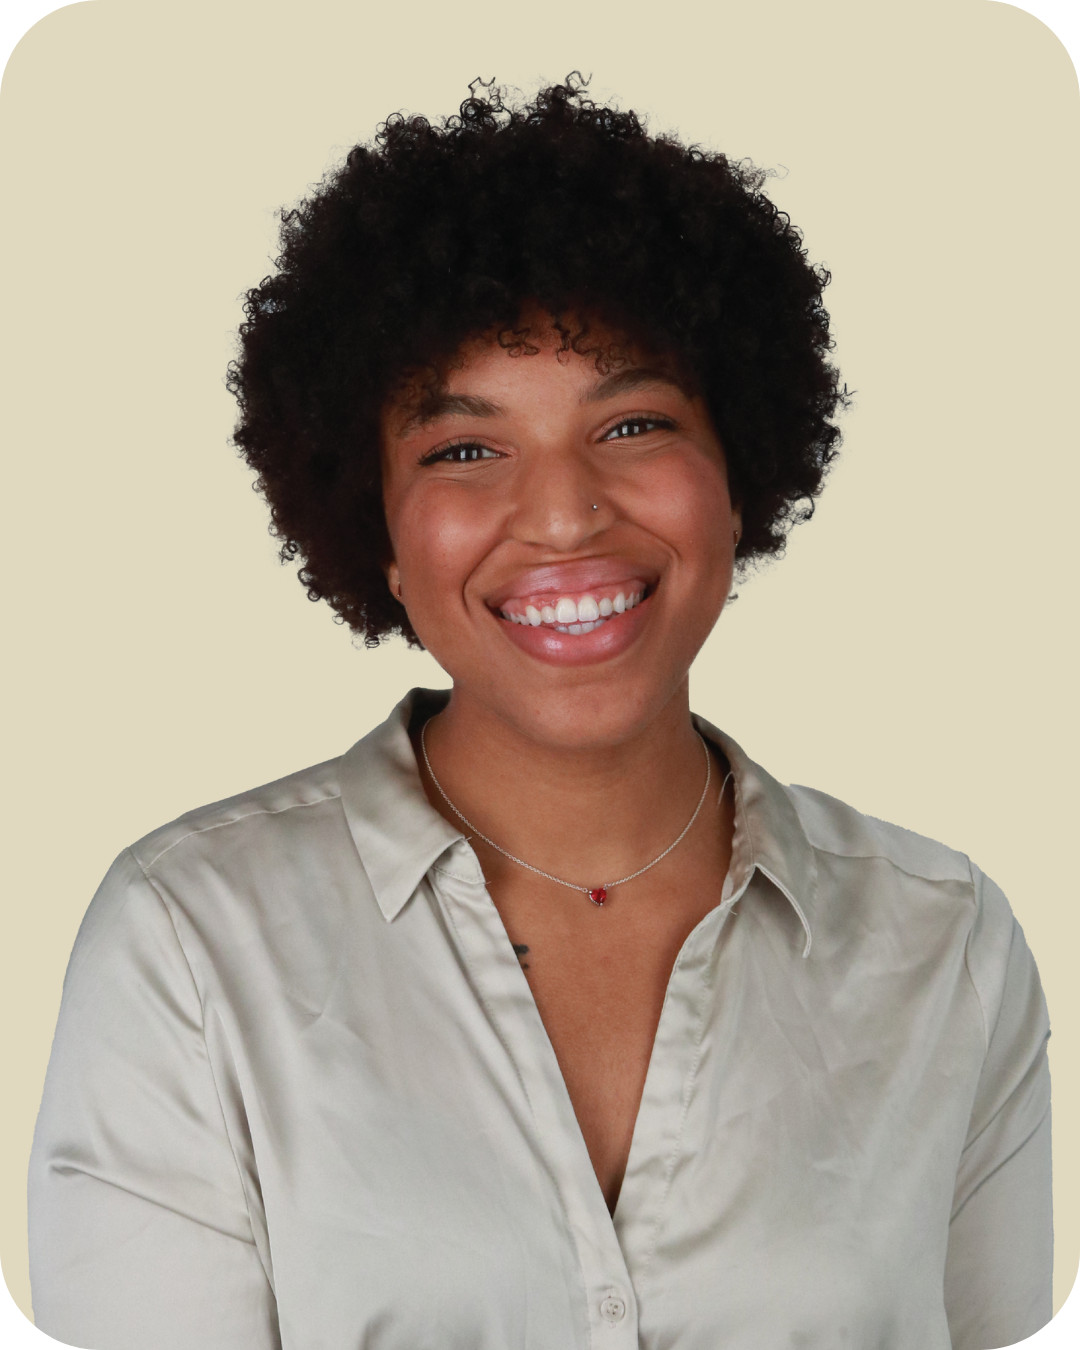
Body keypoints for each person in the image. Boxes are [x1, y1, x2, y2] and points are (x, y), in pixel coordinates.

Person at [28, 77, 1052, 1349]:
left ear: (737, 476)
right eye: (465, 448)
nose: (565, 515)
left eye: (633, 423)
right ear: (377, 527)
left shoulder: (943, 944)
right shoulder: (192, 943)